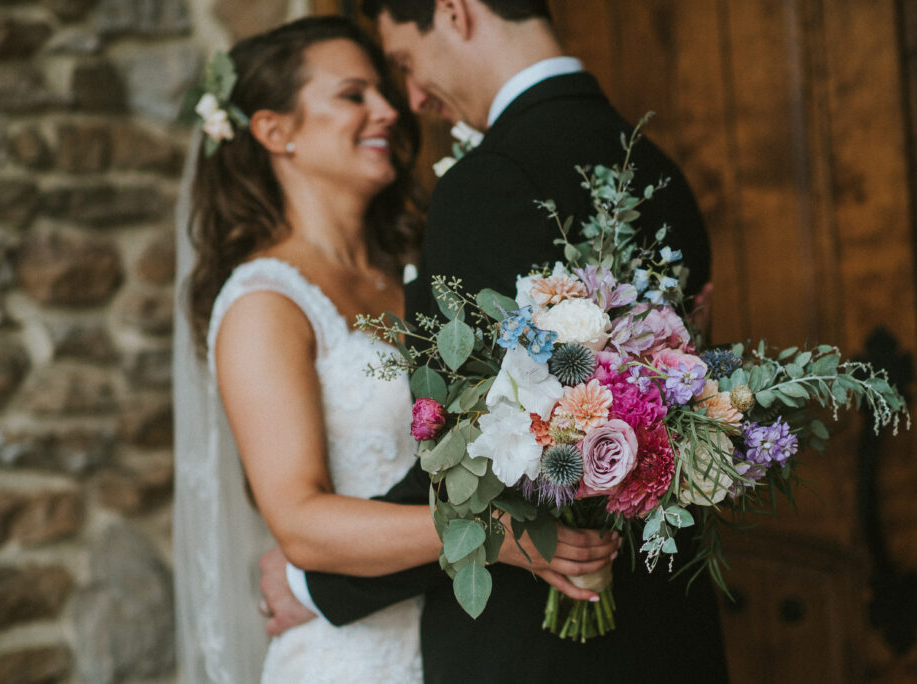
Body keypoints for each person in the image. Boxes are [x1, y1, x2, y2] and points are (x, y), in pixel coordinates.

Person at [263, 1, 730, 683]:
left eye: (404, 63)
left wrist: (315, 586)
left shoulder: (487, 183)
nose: (416, 97)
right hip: (671, 631)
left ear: (454, 12)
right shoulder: (660, 173)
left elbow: (479, 454)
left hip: (537, 647)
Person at [171, 14, 618, 684]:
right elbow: (299, 522)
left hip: (467, 640)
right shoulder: (264, 303)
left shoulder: (417, 267)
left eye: (385, 88)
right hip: (354, 657)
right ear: (274, 131)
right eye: (353, 95)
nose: (388, 109)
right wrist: (494, 535)